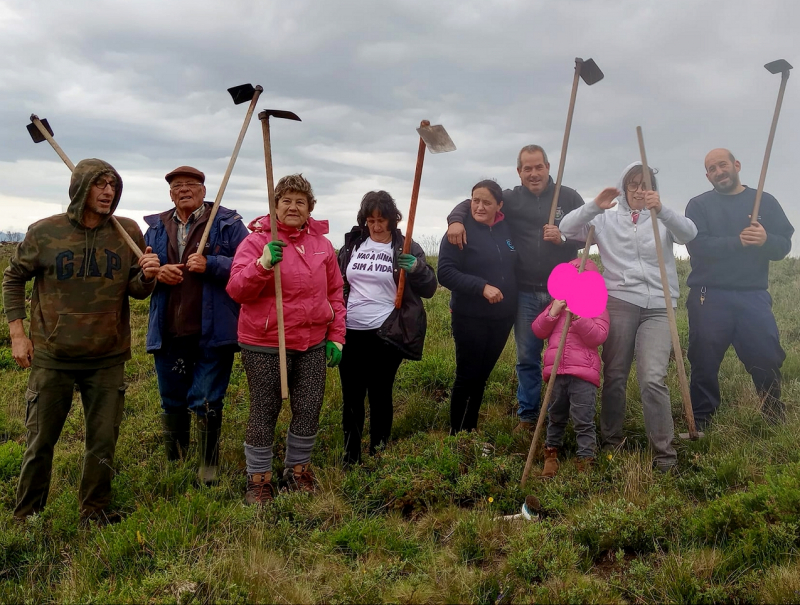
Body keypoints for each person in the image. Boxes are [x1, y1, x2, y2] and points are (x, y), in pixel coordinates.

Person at [2, 159, 160, 523]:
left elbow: (136, 290)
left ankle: (95, 510)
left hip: (107, 356)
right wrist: (17, 334)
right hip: (53, 356)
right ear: (80, 188)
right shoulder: (44, 233)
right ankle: (27, 514)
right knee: (40, 441)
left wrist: (148, 277)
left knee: (102, 440)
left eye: (113, 185)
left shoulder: (128, 232)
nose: (108, 192)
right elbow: (13, 278)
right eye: (99, 184)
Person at [559, 162, 698, 472]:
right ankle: (611, 441)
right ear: (623, 188)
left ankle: (664, 455)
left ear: (653, 189)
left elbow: (690, 233)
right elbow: (567, 229)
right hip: (620, 301)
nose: (638, 190)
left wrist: (661, 210)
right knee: (616, 374)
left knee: (652, 378)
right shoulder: (605, 218)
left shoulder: (661, 216)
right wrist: (594, 205)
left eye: (645, 184)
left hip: (660, 306)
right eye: (633, 184)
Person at [446, 146, 585, 431]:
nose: (534, 174)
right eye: (527, 168)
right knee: (527, 357)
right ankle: (528, 415)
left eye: (539, 167)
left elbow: (589, 234)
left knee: (568, 356)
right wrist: (456, 220)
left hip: (564, 291)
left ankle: (566, 418)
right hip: (525, 292)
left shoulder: (569, 197)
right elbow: (475, 201)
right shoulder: (509, 199)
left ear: (548, 167)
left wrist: (564, 237)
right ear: (519, 172)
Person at [226, 174, 345, 504]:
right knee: (265, 409)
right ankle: (259, 478)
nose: (293, 207)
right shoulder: (255, 243)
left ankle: (298, 470)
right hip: (265, 341)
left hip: (312, 342)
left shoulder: (323, 246)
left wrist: (336, 337)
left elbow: (336, 292)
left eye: (301, 202)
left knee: (308, 407)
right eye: (287, 201)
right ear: (274, 206)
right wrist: (262, 264)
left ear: (310, 208)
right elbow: (237, 290)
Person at [143, 166, 249, 484]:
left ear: (204, 191)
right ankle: (176, 465)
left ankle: (208, 468)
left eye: (191, 184)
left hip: (212, 331)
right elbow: (138, 279)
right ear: (170, 194)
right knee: (171, 400)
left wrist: (212, 264)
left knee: (206, 399)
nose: (184, 189)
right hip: (168, 330)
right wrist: (152, 273)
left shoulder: (227, 223)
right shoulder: (155, 229)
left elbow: (249, 266)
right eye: (177, 186)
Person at [685, 149, 794, 428]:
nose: (719, 171)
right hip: (708, 295)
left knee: (766, 355)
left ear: (736, 165)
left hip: (752, 294)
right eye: (712, 168)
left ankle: (772, 414)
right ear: (707, 175)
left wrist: (766, 239)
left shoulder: (764, 201)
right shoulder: (698, 205)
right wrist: (740, 242)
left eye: (723, 165)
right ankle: (702, 421)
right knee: (704, 360)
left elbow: (783, 246)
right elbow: (698, 246)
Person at [337, 191, 437, 466]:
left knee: (380, 394)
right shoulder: (352, 245)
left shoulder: (405, 247)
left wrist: (417, 268)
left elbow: (430, 288)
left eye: (382, 220)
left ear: (393, 219)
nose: (377, 226)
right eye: (371, 220)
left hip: (386, 332)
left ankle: (378, 453)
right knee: (352, 396)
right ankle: (351, 456)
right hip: (350, 331)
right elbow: (336, 283)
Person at [437, 180, 517, 434]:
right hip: (470, 316)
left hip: (503, 317)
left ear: (499, 206)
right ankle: (456, 435)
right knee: (466, 376)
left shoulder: (507, 227)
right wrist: (481, 287)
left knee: (482, 376)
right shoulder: (458, 231)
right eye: (475, 200)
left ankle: (469, 430)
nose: (480, 207)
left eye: (487, 202)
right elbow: (445, 273)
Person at [532, 258, 610, 477]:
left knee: (583, 419)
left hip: (583, 375)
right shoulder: (557, 303)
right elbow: (538, 329)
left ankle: (586, 458)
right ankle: (551, 454)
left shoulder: (596, 307)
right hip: (556, 372)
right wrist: (552, 313)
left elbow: (598, 336)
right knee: (555, 415)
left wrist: (579, 318)